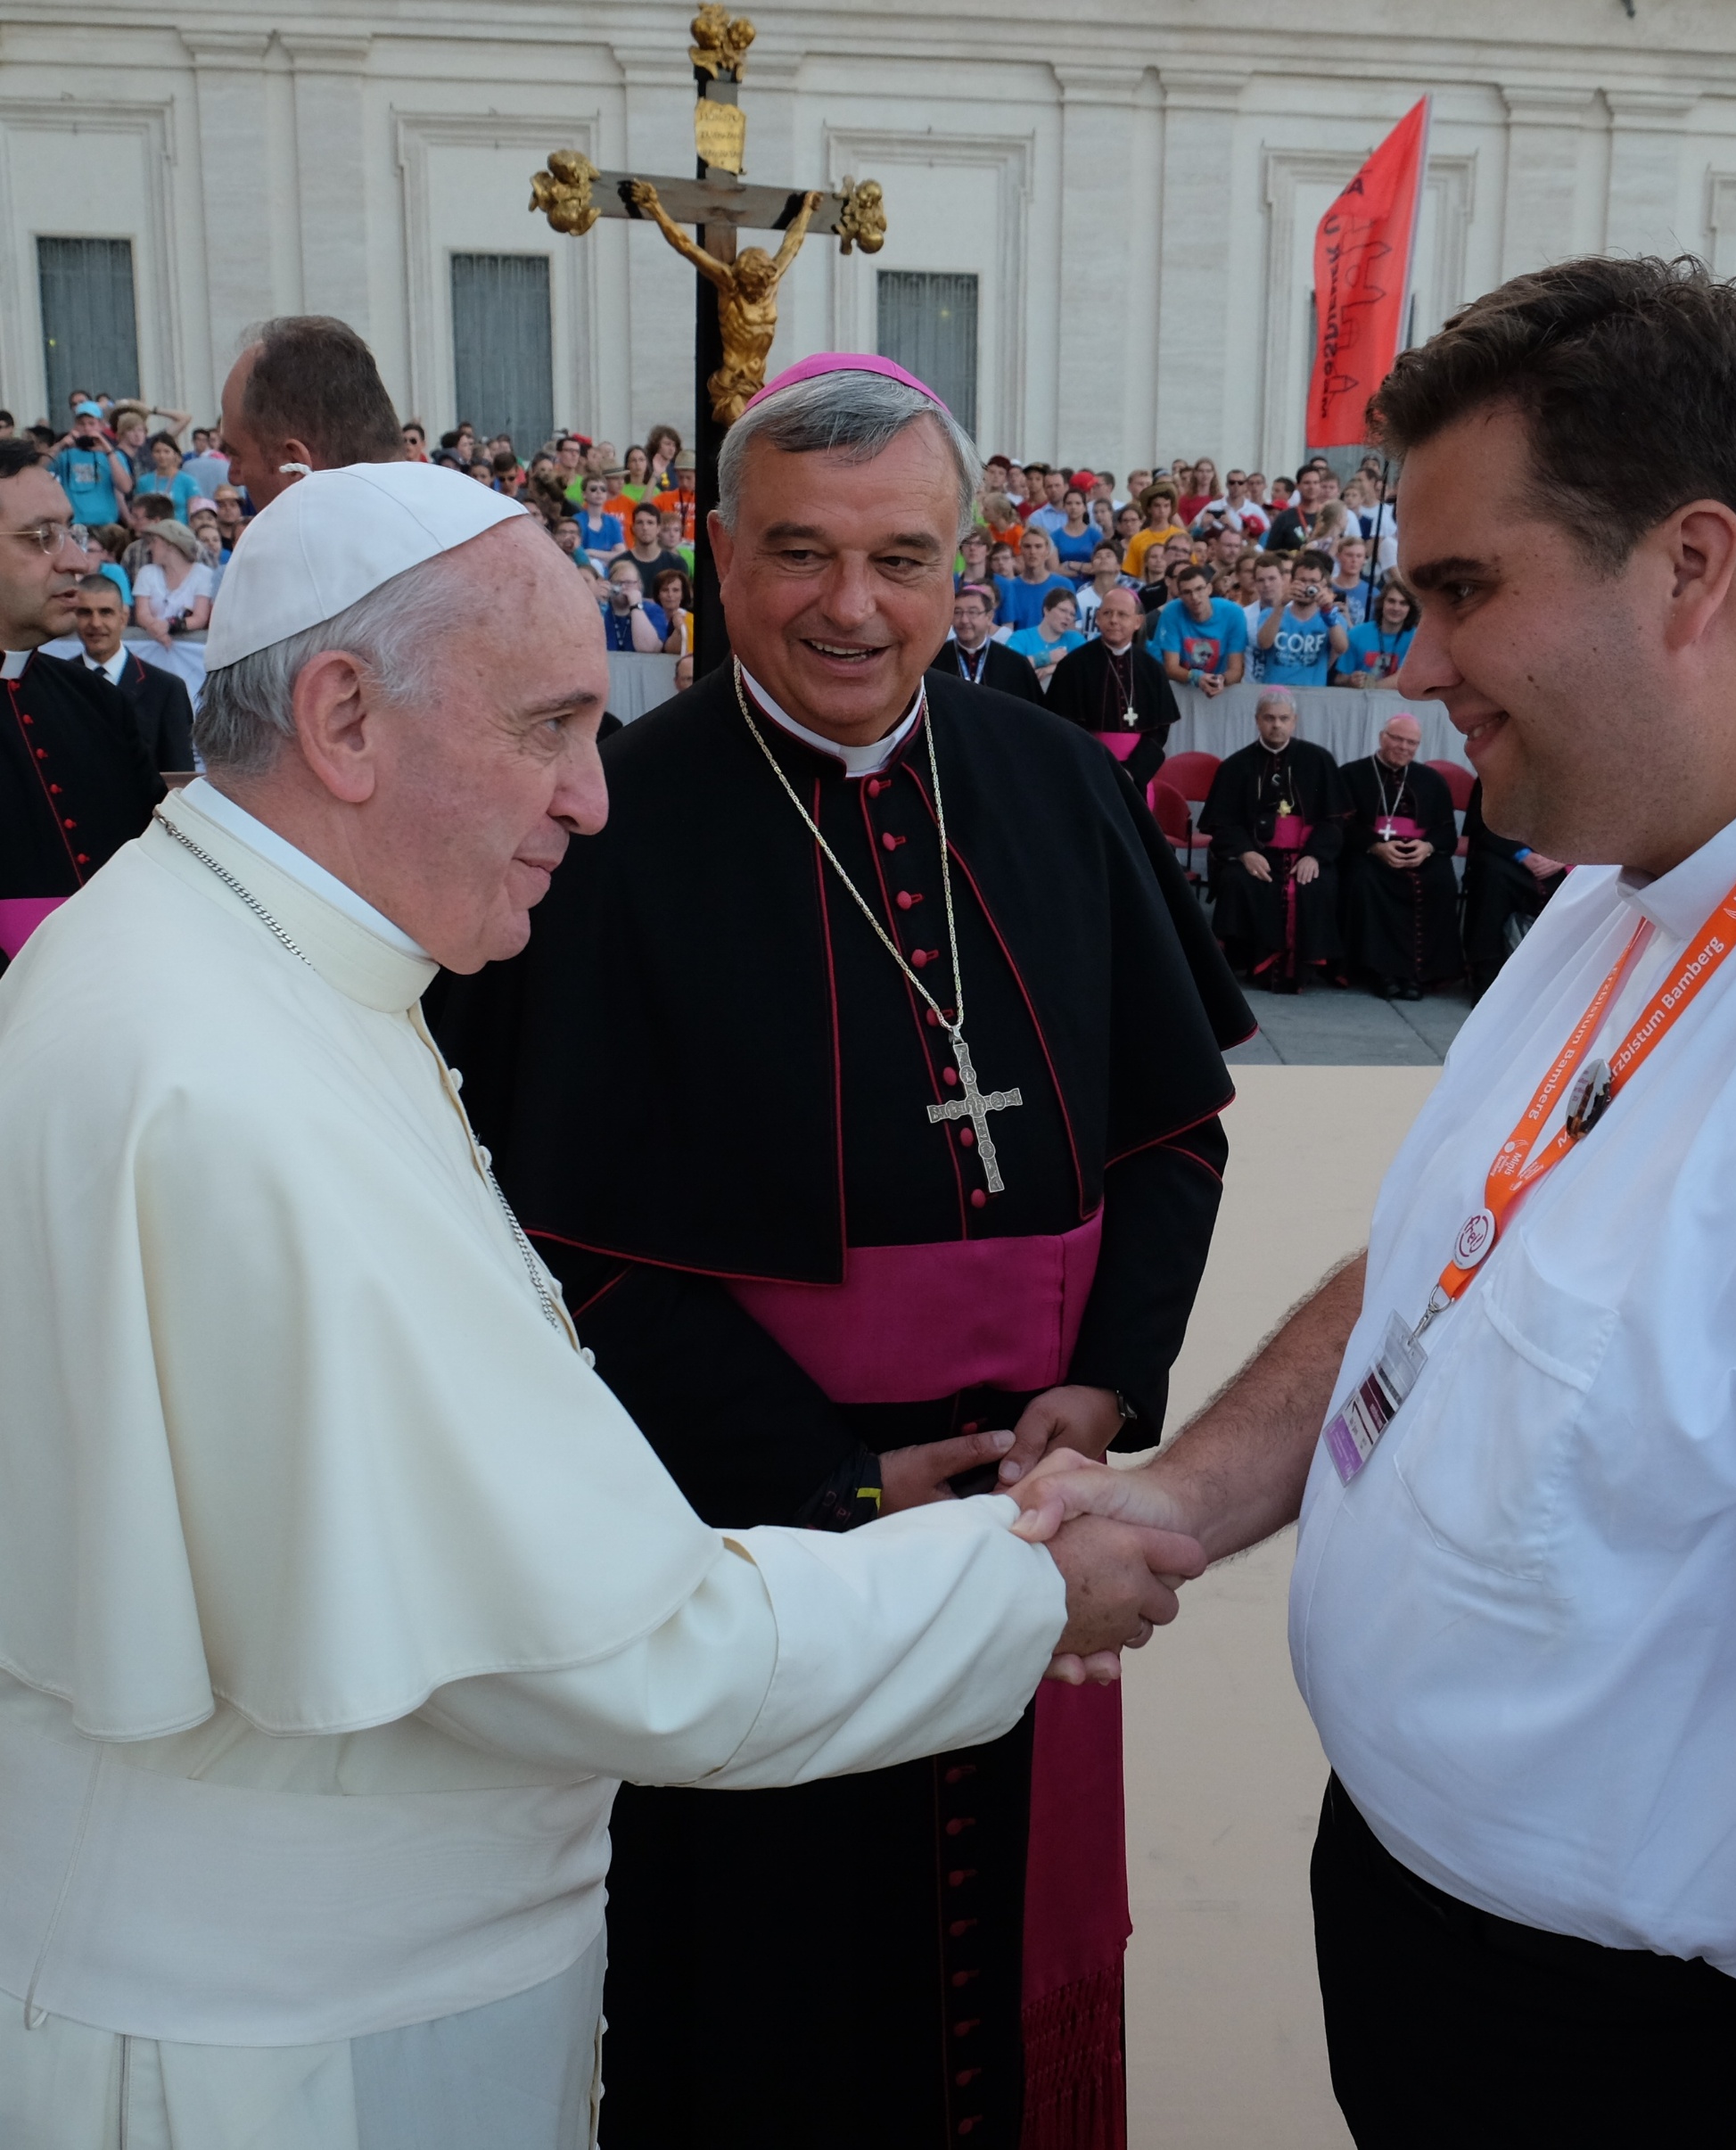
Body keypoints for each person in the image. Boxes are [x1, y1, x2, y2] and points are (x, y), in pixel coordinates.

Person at [0, 457, 1195, 2147]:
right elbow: (624, 1658)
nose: (596, 795)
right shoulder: (230, 1088)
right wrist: (1023, 1585)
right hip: (289, 2058)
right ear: (345, 718)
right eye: (551, 725)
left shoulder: (231, 968)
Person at [424, 355, 1250, 2150]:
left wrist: (1103, 1383)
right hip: (752, 1533)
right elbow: (556, 1236)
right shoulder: (616, 819)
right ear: (719, 557)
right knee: (771, 1984)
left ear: (967, 562)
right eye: (799, 553)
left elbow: (1170, 1132)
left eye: (902, 556)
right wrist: (837, 1472)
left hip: (1042, 1496)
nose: (852, 607)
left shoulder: (1050, 777)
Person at [1019, 253, 1736, 2150]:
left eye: (1462, 590)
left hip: (1636, 2044)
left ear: (1690, 568)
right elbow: (1435, 1271)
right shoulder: (1603, 889)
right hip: (1409, 1910)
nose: (1414, 664)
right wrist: (1183, 1492)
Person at [0, 441, 160, 972]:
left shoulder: (96, 702)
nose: (76, 560)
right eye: (41, 538)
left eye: (71, 532)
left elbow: (157, 860)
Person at [1199, 688, 1345, 992]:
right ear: (1257, 721)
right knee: (1239, 880)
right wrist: (1245, 854)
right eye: (1269, 718)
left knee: (1318, 885)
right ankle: (1250, 961)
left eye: (1283, 719)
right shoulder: (1236, 765)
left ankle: (1304, 970)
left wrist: (1315, 856)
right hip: (1259, 855)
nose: (1276, 725)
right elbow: (1223, 823)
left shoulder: (1319, 760)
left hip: (1305, 854)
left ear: (1294, 721)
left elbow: (1334, 820)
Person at [218, 314, 405, 508]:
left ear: (293, 466)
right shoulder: (435, 506)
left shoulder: (273, 538)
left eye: (237, 455)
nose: (233, 477)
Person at [1337, 713, 1461, 1000]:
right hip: (1371, 855)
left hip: (1419, 856)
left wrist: (1427, 847)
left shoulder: (1431, 780)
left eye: (1412, 742)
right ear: (1382, 738)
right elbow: (1342, 826)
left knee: (1442, 880)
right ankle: (1381, 972)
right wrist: (1375, 846)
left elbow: (1446, 833)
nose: (1404, 747)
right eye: (1398, 739)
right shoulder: (1352, 775)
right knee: (1365, 879)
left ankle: (1419, 974)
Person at [1045, 583, 1176, 790]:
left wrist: (1132, 771)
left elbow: (1159, 730)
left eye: (1122, 615)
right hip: (1087, 772)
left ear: (1138, 622)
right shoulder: (1074, 665)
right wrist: (1096, 767)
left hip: (1135, 777)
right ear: (1097, 618)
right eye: (1107, 613)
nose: (1114, 620)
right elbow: (1063, 725)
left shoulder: (1151, 669)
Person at [71, 572, 196, 773]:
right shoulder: (56, 683)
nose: (95, 623)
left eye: (106, 612)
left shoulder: (166, 690)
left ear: (123, 618)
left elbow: (179, 775)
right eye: (85, 612)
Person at [1460, 775, 1566, 1000]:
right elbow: (1482, 828)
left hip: (1556, 860)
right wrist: (1523, 855)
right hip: (1505, 857)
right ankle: (1487, 979)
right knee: (1490, 878)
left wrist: (1562, 859)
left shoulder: (1573, 773)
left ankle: (1552, 985)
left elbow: (1586, 827)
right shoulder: (1496, 771)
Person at [933, 580, 1044, 704]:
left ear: (989, 617)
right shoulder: (935, 659)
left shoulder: (1014, 663)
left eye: (972, 612)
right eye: (957, 612)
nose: (964, 620)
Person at [1256, 549, 1350, 685]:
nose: (1307, 586)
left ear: (1322, 584)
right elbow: (1264, 643)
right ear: (1292, 582)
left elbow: (1342, 648)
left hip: (1312, 695)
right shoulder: (1270, 614)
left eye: (1313, 581)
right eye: (1302, 580)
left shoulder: (1332, 618)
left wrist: (1327, 611)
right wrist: (1281, 605)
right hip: (1276, 693)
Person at [1155, 561, 1247, 695]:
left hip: (1221, 689)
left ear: (1209, 589)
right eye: (1187, 592)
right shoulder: (1172, 611)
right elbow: (1170, 667)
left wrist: (1221, 680)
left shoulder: (1233, 613)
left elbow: (1236, 669)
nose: (1194, 597)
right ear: (1179, 596)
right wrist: (1197, 678)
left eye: (1199, 589)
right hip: (1183, 690)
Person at [131, 518, 215, 647]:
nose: (150, 547)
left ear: (170, 544)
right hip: (151, 648)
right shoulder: (146, 573)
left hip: (190, 650)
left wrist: (169, 626)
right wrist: (158, 630)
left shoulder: (203, 574)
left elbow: (200, 618)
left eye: (154, 542)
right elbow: (142, 614)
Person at [50, 400, 133, 526]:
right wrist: (60, 445)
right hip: (75, 525)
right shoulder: (66, 454)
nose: (87, 428)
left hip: (107, 525)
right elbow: (40, 468)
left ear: (100, 425)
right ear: (75, 426)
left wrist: (108, 451)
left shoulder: (114, 455)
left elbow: (125, 487)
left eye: (92, 424)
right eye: (81, 424)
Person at [1336, 575, 1419, 687]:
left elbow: (1406, 680)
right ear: (1382, 603)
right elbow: (1338, 680)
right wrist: (1351, 681)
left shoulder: (1417, 639)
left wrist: (1370, 686)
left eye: (1403, 603)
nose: (1396, 608)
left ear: (1410, 608)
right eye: (1391, 601)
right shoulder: (1356, 634)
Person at [993, 522, 1074, 631]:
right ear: (1021, 550)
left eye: (1038, 546)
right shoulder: (1009, 588)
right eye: (1027, 546)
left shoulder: (1064, 585)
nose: (1032, 552)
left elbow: (1071, 628)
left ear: (1047, 551)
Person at [1006, 583, 1084, 688]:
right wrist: (1046, 658)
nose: (1068, 617)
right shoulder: (1021, 637)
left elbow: (1086, 669)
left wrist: (1054, 668)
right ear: (1046, 610)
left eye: (1072, 614)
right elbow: (1009, 667)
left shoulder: (1075, 640)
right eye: (1063, 610)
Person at [610, 499, 673, 599]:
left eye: (650, 523)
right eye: (640, 523)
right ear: (633, 528)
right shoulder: (618, 563)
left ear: (658, 528)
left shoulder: (675, 563)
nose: (645, 527)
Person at [136, 431, 205, 522]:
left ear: (175, 454)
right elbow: (139, 512)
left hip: (179, 532)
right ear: (152, 454)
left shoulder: (188, 481)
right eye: (157, 451)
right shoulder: (143, 481)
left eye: (166, 451)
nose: (162, 456)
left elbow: (195, 514)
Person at [1122, 481, 1185, 577]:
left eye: (1166, 506)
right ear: (1149, 509)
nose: (1162, 510)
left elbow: (1191, 567)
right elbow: (1130, 574)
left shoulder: (1181, 537)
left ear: (1171, 508)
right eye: (1157, 506)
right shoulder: (1137, 539)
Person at [602, 561, 665, 652]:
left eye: (629, 583)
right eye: (618, 583)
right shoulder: (604, 610)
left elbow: (648, 648)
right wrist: (600, 604)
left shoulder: (653, 610)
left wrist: (636, 606)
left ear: (639, 585)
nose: (623, 587)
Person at [1074, 540, 1129, 630]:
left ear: (1118, 566)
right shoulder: (1080, 596)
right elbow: (1076, 630)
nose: (1103, 558)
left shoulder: (1126, 598)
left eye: (1109, 556)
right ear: (1092, 566)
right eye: (1098, 556)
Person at [1052, 485, 1100, 581]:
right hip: (1063, 586)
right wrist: (1085, 569)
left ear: (1085, 507)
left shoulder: (1095, 535)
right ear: (1064, 507)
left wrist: (1070, 564)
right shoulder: (1055, 536)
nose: (1073, 507)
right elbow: (1054, 570)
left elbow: (1099, 567)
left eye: (1078, 503)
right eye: (1069, 503)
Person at [1329, 534, 1377, 624]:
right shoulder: (1326, 587)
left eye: (1359, 556)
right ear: (1338, 556)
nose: (1354, 560)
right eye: (1349, 555)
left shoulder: (1373, 593)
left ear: (1364, 559)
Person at [651, 564, 693, 656]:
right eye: (665, 590)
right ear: (658, 594)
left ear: (683, 594)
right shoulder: (650, 618)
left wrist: (679, 628)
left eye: (676, 590)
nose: (670, 595)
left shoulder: (691, 618)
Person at [1175, 457, 1220, 524]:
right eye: (1201, 471)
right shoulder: (1185, 499)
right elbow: (1184, 529)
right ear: (1195, 473)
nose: (1205, 474)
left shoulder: (1220, 498)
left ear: (1213, 474)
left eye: (1208, 471)